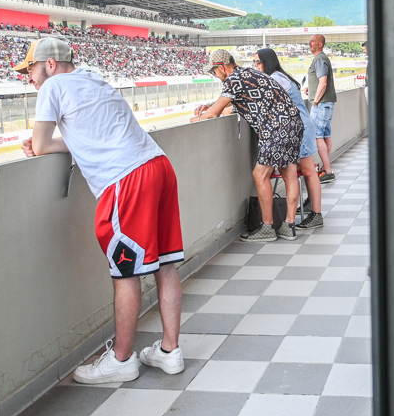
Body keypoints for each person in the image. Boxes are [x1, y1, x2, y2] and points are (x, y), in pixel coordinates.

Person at [16, 37, 186, 384]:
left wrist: (38, 145)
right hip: (158, 165)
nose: (28, 78)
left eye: (30, 69)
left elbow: (41, 144)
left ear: (49, 65)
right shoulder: (93, 78)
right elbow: (85, 135)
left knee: (125, 274)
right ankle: (170, 351)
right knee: (165, 265)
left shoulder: (52, 87)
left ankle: (121, 360)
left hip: (126, 179)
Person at [191, 49, 305, 241]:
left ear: (222, 68)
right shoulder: (248, 73)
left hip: (275, 128)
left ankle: (267, 228)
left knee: (260, 175)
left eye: (213, 71)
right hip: (293, 124)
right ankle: (289, 226)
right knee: (289, 173)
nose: (214, 75)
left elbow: (213, 114)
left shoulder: (233, 79)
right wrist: (210, 104)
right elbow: (235, 99)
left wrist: (196, 119)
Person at [255, 47, 324, 229]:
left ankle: (316, 214)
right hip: (301, 126)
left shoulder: (276, 78)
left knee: (308, 171)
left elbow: (261, 101)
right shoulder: (280, 76)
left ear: (267, 61)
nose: (256, 66)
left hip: (299, 128)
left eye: (258, 62)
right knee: (307, 171)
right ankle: (313, 210)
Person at [302, 34, 337, 183]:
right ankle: (325, 168)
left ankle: (327, 170)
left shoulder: (320, 59)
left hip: (321, 104)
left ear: (320, 44)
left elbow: (323, 83)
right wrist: (311, 89)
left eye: (313, 41)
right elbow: (320, 82)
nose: (309, 43)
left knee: (317, 136)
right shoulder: (321, 58)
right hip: (326, 103)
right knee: (326, 135)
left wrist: (315, 101)